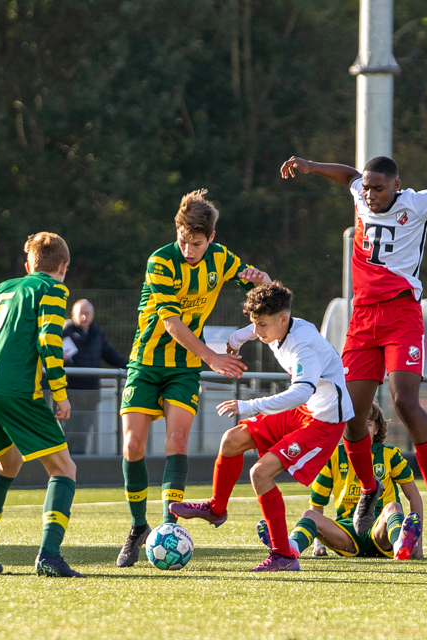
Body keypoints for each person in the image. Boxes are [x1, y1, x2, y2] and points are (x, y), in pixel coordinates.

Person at [280, 155, 427, 534]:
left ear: (396, 185)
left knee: (404, 401)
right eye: (368, 188)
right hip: (362, 320)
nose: (370, 194)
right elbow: (349, 176)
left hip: (401, 316)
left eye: (379, 188)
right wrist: (310, 166)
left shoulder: (416, 203)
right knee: (352, 417)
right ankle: (369, 489)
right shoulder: (360, 191)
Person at [116, 189, 271, 567]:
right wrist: (213, 357)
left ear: (211, 239)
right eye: (184, 241)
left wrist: (261, 278)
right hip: (147, 363)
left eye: (196, 243)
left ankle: (169, 527)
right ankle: (139, 527)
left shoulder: (221, 258)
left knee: (177, 438)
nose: (189, 250)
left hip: (184, 367)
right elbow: (171, 323)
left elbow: (263, 290)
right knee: (133, 446)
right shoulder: (161, 261)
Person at [170, 281, 355, 571]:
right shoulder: (275, 325)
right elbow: (255, 327)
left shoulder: (301, 344)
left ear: (283, 320)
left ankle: (284, 555)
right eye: (255, 324)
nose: (259, 331)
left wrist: (249, 405)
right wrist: (237, 337)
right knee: (232, 439)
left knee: (260, 474)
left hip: (324, 421)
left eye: (263, 325)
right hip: (306, 410)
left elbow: (301, 392)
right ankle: (216, 509)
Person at [0, 232, 84, 578]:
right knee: (63, 469)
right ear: (63, 266)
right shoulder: (53, 290)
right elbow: (49, 342)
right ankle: (49, 555)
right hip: (14, 389)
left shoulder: (0, 289)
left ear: (28, 265)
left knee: (7, 464)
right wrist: (60, 394)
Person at [258, 402, 423, 561]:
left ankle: (401, 546)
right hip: (347, 534)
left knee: (393, 507)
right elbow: (318, 500)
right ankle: (288, 546)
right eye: (355, 425)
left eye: (368, 424)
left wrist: (418, 545)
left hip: (381, 531)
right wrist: (318, 544)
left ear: (377, 429)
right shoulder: (333, 456)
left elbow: (413, 495)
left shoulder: (390, 455)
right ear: (344, 428)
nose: (362, 430)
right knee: (309, 515)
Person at [61, 299, 129, 454]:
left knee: (84, 429)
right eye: (81, 313)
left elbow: (110, 354)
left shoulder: (96, 333)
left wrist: (131, 366)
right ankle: (66, 467)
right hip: (71, 390)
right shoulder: (65, 332)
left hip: (91, 391)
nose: (84, 317)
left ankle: (79, 466)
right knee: (70, 430)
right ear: (73, 314)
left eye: (87, 313)